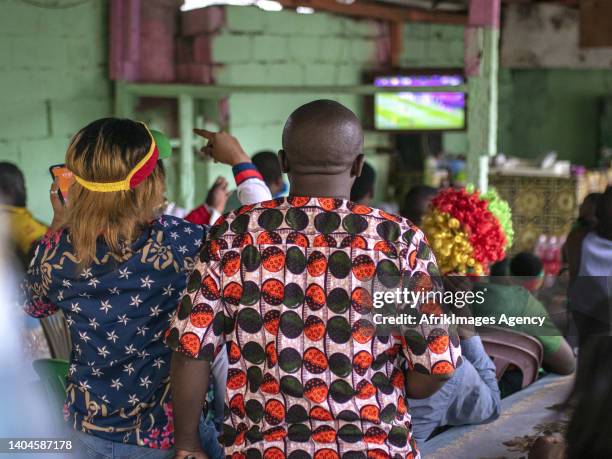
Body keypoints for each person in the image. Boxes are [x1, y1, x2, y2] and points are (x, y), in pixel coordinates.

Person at [167, 100, 461, 459]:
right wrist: (394, 385)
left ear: (285, 161)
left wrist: (187, 443)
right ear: (358, 165)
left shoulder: (234, 233)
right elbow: (438, 365)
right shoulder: (398, 240)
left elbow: (191, 350)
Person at [21, 118, 271, 458]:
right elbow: (262, 242)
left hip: (87, 432)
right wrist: (240, 159)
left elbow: (33, 304)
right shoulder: (183, 242)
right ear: (151, 183)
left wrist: (57, 230)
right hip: (172, 437)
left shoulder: (58, 254)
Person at [0, 162, 48, 269]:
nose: (25, 190)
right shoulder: (15, 221)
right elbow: (44, 251)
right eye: (21, 185)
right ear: (7, 190)